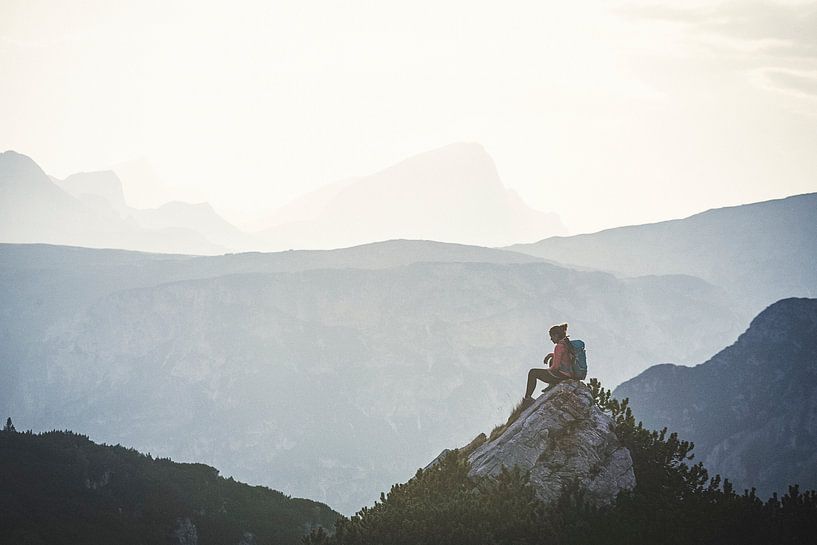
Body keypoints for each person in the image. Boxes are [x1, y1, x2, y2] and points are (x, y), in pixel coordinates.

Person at [523, 323, 575, 401]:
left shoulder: (558, 346)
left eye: (552, 336)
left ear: (556, 335)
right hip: (569, 374)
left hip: (562, 376)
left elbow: (555, 367)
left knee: (533, 372)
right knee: (552, 359)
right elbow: (565, 357)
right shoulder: (566, 343)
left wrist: (547, 371)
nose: (551, 339)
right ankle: (552, 384)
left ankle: (527, 398)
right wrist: (551, 355)